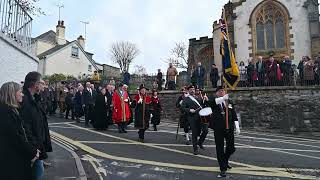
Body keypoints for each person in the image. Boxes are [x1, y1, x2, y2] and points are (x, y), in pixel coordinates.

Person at [0, 82, 40, 180]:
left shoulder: (11, 110)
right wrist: (33, 151)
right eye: (20, 92)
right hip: (12, 162)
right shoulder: (6, 113)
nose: (22, 94)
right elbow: (16, 138)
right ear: (12, 94)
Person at [20, 71, 52, 180]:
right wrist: (34, 148)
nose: (43, 85)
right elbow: (25, 127)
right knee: (37, 173)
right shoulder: (25, 100)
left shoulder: (35, 98)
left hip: (38, 144)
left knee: (37, 171)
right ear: (35, 84)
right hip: (34, 147)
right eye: (41, 83)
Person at [205, 86, 240, 178]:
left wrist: (237, 126)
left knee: (231, 148)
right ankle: (223, 169)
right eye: (220, 91)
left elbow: (234, 114)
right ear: (216, 93)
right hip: (218, 128)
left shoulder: (229, 102)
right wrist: (221, 99)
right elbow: (209, 104)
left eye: (223, 91)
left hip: (229, 128)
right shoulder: (214, 100)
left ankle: (225, 160)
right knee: (219, 148)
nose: (222, 92)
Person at [181, 85, 208, 155]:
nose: (192, 90)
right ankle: (195, 148)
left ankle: (200, 142)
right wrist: (189, 110)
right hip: (192, 118)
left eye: (193, 89)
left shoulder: (199, 97)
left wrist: (206, 100)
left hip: (201, 117)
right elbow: (182, 108)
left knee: (205, 130)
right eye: (191, 89)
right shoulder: (186, 99)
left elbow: (203, 105)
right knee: (195, 133)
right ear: (188, 91)